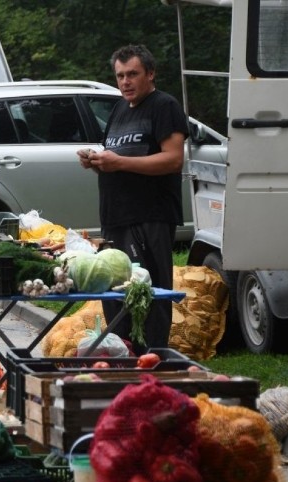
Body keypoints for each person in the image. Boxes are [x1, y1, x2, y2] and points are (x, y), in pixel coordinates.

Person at [78, 44, 188, 350]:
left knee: (148, 296)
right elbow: (117, 159)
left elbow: (173, 159)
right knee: (115, 295)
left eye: (133, 74)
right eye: (120, 75)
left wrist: (119, 162)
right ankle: (120, 358)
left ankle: (152, 359)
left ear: (150, 74)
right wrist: (97, 162)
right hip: (115, 218)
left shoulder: (164, 106)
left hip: (150, 217)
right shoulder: (119, 109)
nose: (125, 81)